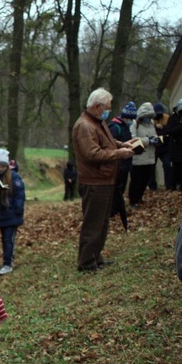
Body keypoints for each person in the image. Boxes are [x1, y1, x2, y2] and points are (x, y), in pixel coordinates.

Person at [71, 87, 135, 272]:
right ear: (97, 106)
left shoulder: (97, 122)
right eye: (106, 107)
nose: (108, 110)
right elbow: (92, 153)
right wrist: (119, 154)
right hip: (94, 182)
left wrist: (122, 144)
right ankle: (86, 263)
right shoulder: (85, 125)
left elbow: (105, 142)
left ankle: (95, 256)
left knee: (102, 222)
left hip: (104, 180)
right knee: (93, 223)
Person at [0, 149, 25, 276]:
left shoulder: (14, 177)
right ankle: (7, 260)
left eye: (3, 166)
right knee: (4, 239)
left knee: (8, 239)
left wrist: (17, 211)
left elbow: (19, 195)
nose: (0, 168)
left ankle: (7, 263)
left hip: (11, 215)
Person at [128, 102, 162, 207]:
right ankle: (133, 200)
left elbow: (154, 135)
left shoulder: (151, 123)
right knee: (136, 180)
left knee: (145, 180)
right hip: (138, 158)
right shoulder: (135, 124)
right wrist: (147, 141)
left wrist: (157, 140)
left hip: (150, 157)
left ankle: (140, 197)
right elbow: (132, 139)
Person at [107, 101, 137, 200]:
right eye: (129, 119)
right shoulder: (115, 127)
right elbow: (110, 144)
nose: (131, 121)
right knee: (116, 189)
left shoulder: (126, 127)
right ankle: (113, 210)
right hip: (118, 163)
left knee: (121, 188)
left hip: (126, 162)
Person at [152, 102, 172, 190]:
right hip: (154, 147)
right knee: (151, 167)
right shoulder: (150, 120)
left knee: (167, 165)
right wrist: (155, 126)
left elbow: (170, 130)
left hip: (165, 147)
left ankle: (168, 185)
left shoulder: (167, 118)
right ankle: (152, 186)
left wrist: (163, 128)